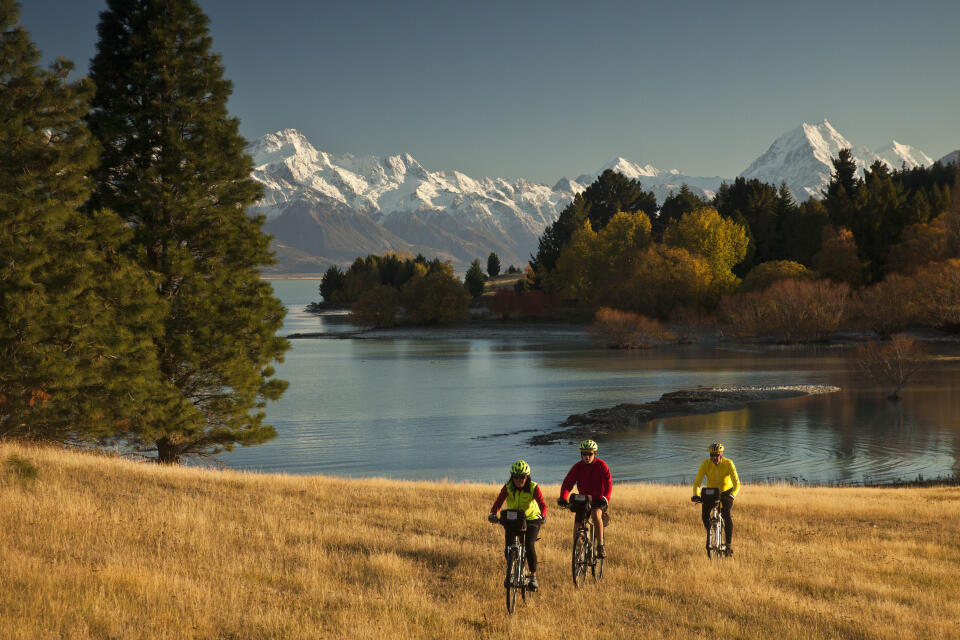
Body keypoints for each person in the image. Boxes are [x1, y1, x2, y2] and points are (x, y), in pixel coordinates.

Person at [488, 459, 546, 590]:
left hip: (531, 519)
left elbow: (542, 504)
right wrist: (493, 514)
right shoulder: (508, 487)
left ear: (527, 477)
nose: (520, 480)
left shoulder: (533, 487)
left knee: (529, 544)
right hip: (514, 519)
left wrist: (543, 515)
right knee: (508, 549)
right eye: (516, 477)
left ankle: (532, 577)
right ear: (512, 477)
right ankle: (512, 572)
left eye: (523, 477)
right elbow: (498, 502)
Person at [556, 439, 612, 558]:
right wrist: (563, 498)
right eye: (584, 454)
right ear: (581, 454)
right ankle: (579, 551)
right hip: (584, 500)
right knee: (577, 526)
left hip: (599, 500)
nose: (587, 456)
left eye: (590, 454)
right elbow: (567, 484)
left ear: (595, 454)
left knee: (596, 514)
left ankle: (600, 546)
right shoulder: (577, 467)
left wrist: (605, 497)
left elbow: (608, 484)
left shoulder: (601, 465)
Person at [691, 442, 741, 556]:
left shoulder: (729, 464)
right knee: (704, 515)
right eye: (712, 455)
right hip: (711, 492)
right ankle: (710, 533)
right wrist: (695, 494)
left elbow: (737, 484)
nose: (714, 458)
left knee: (726, 515)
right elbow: (697, 482)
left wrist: (732, 495)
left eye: (717, 455)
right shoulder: (705, 464)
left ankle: (728, 546)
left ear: (721, 454)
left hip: (726, 492)